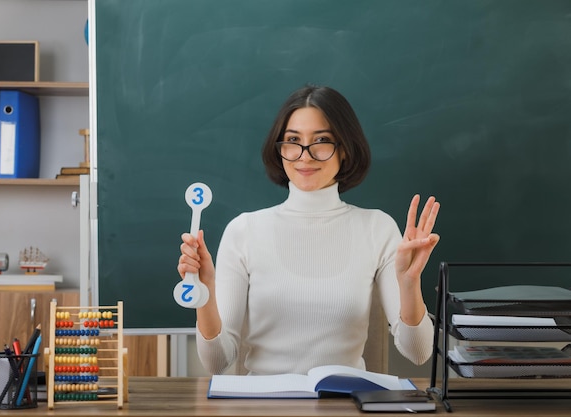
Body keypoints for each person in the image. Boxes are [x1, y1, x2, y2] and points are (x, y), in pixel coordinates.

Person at [177, 85, 440, 376]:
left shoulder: (377, 228)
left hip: (343, 405)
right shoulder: (244, 231)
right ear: (280, 150)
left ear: (345, 148)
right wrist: (205, 295)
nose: (305, 156)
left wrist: (409, 283)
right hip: (261, 406)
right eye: (293, 140)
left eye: (322, 140)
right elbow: (217, 362)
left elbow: (418, 352)